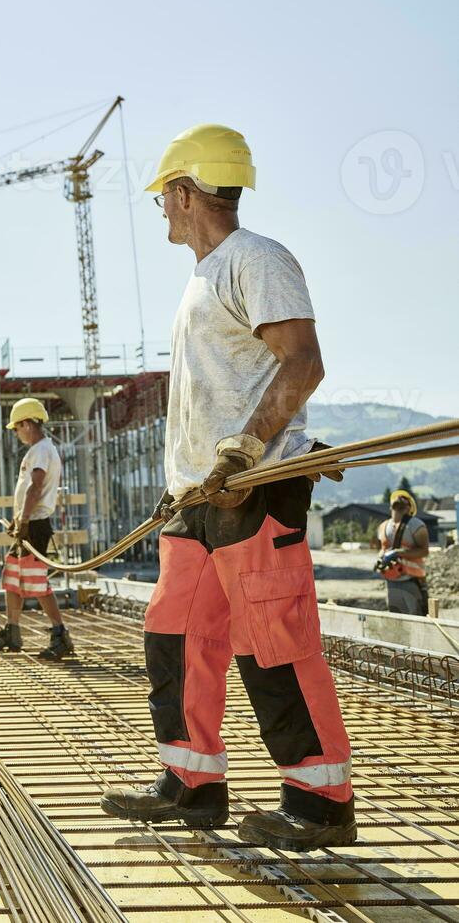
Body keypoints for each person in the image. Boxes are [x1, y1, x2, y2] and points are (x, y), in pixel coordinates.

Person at [100, 124, 356, 851]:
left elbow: (302, 363)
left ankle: (320, 799)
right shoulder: (203, 278)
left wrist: (245, 450)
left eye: (165, 199)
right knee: (174, 638)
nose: (162, 212)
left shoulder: (257, 260)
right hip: (197, 500)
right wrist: (179, 481)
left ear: (185, 192)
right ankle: (192, 784)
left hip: (254, 488)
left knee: (274, 643)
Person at [0, 397, 72, 660]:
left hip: (35, 525)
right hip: (29, 523)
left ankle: (60, 634)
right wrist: (19, 518)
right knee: (12, 577)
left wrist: (24, 520)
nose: (17, 433)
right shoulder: (38, 450)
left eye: (17, 427)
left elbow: (35, 487)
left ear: (28, 423)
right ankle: (12, 630)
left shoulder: (42, 450)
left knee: (36, 582)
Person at [374, 489, 429, 615]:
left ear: (410, 507)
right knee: (396, 620)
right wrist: (380, 559)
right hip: (391, 582)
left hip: (412, 581)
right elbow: (382, 549)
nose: (400, 499)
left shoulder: (416, 525)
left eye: (404, 499)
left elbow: (424, 551)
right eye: (397, 498)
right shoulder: (383, 526)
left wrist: (398, 552)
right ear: (390, 506)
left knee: (416, 619)